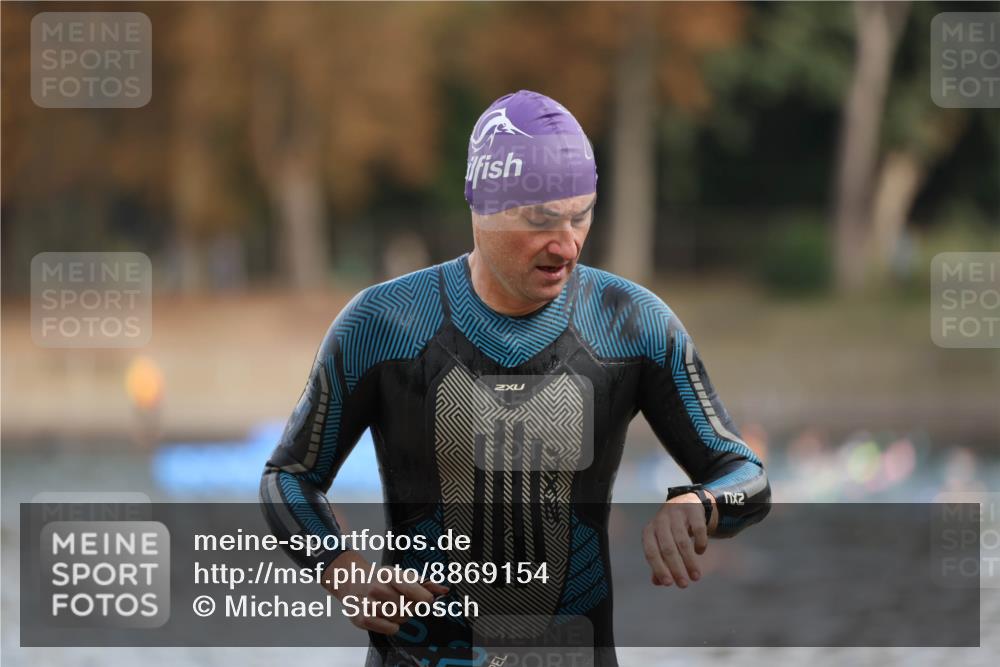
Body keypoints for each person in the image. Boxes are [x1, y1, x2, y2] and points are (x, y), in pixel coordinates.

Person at [260, 90, 771, 667]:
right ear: (481, 207)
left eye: (581, 215)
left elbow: (745, 473)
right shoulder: (384, 324)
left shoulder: (630, 323)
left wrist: (702, 503)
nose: (568, 243)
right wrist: (339, 567)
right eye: (541, 220)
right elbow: (290, 476)